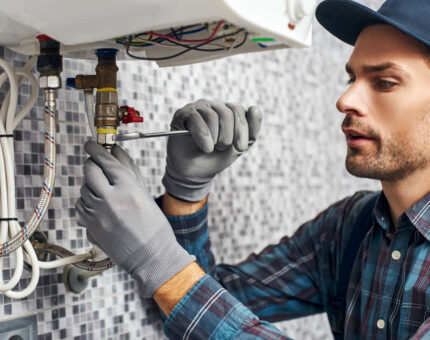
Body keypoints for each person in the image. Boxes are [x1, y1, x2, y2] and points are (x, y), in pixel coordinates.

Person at [75, 0, 430, 338]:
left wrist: (157, 258)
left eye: (384, 82)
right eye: (350, 78)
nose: (345, 100)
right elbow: (193, 304)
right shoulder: (351, 228)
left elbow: (180, 288)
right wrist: (185, 192)